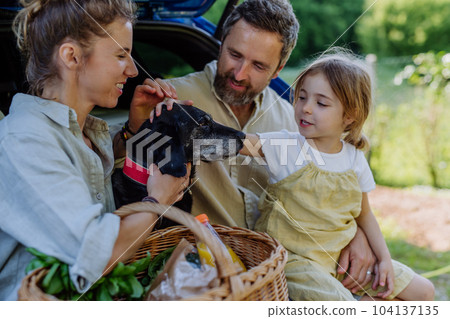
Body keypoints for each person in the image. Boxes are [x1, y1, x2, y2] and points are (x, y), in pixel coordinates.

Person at [154, 0, 377, 292]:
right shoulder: (174, 99)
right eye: (235, 54)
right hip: (203, 276)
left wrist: (357, 232)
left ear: (279, 69)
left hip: (283, 272)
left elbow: (331, 192)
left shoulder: (294, 119)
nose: (240, 73)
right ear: (221, 43)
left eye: (259, 65)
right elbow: (121, 174)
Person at [0, 0, 190, 300]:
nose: (131, 70)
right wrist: (160, 199)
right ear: (72, 56)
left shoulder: (81, 130)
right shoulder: (26, 139)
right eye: (120, 55)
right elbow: (100, 254)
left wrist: (132, 130)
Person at [239, 50, 435, 300]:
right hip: (296, 263)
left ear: (349, 116)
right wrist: (193, 130)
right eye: (302, 97)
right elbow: (238, 143)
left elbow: (365, 215)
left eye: (321, 103)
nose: (306, 108)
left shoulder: (354, 159)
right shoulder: (285, 147)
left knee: (424, 291)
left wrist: (384, 259)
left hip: (341, 261)